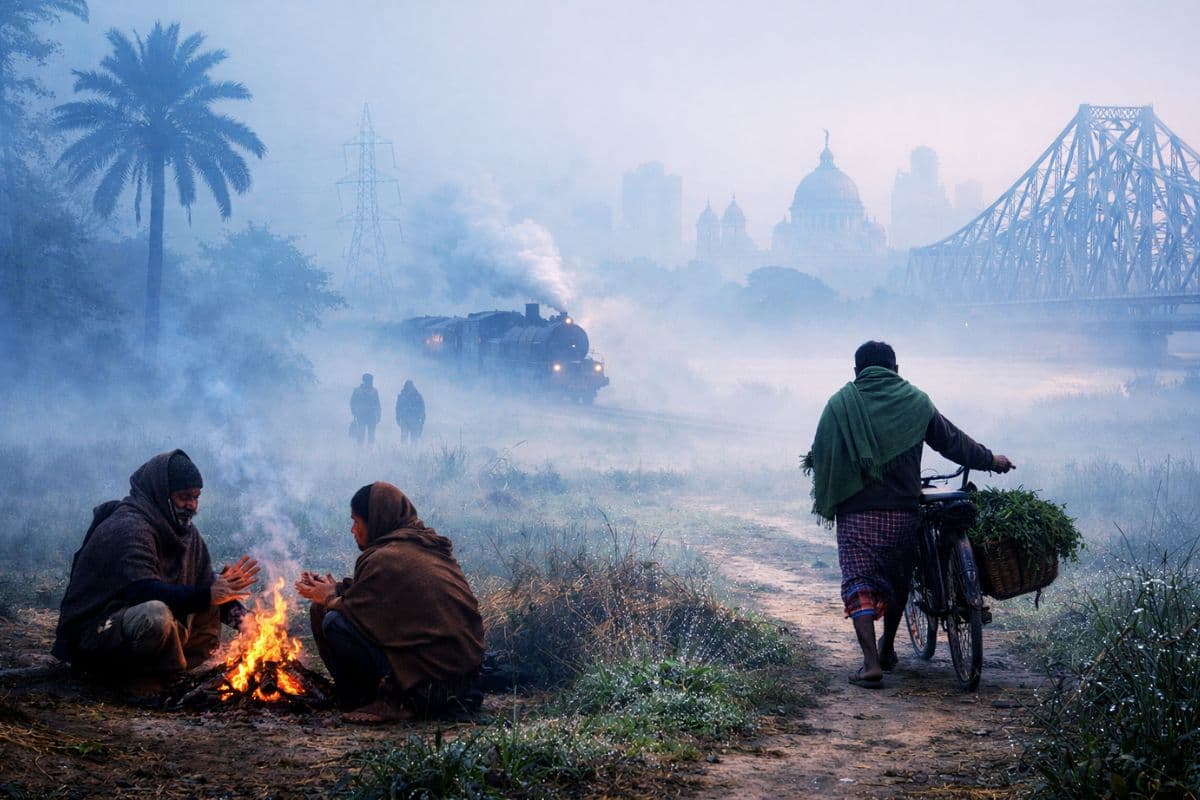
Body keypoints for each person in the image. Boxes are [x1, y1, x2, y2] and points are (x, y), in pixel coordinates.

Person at [804, 341, 1014, 689]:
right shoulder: (916, 402)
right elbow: (953, 442)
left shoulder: (839, 405)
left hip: (856, 513)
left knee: (860, 582)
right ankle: (888, 647)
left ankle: (871, 663)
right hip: (903, 512)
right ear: (896, 370)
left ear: (857, 372)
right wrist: (991, 460)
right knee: (897, 581)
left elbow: (821, 453)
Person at [52, 450, 260, 693]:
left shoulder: (185, 533)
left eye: (196, 497)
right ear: (162, 495)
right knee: (155, 613)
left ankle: (164, 673)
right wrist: (207, 594)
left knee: (207, 594)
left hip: (141, 630)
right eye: (184, 497)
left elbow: (204, 584)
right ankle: (131, 679)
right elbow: (141, 590)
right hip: (98, 633)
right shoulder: (129, 526)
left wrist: (248, 622)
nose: (191, 505)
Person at [295, 481, 485, 722]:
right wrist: (333, 592)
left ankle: (389, 701)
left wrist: (331, 597)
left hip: (429, 688)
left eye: (356, 521)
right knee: (323, 610)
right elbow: (377, 596)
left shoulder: (384, 559)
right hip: (461, 683)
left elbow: (357, 609)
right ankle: (362, 696)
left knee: (334, 621)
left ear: (375, 519)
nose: (352, 529)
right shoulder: (421, 545)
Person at [350, 373, 381, 446]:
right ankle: (361, 452)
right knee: (361, 436)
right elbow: (352, 402)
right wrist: (354, 411)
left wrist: (379, 415)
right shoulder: (359, 391)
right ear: (365, 381)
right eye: (370, 380)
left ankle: (367, 452)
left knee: (370, 436)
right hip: (363, 416)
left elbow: (377, 404)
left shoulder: (372, 391)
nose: (371, 382)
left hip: (369, 416)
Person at [394, 380, 425, 444]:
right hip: (405, 419)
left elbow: (422, 408)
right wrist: (398, 418)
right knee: (404, 438)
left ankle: (412, 453)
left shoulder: (417, 396)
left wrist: (422, 419)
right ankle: (404, 452)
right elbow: (398, 408)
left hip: (414, 419)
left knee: (413, 438)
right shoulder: (402, 396)